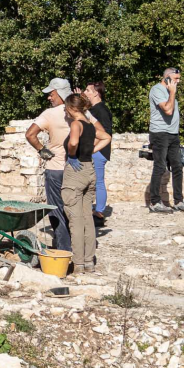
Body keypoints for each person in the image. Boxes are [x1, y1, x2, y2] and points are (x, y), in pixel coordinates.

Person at [62, 94, 111, 273]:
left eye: (66, 108)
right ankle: (89, 262)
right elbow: (106, 137)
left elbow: (74, 142)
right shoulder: (90, 125)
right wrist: (91, 151)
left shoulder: (76, 124)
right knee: (87, 218)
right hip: (90, 170)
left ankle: (79, 264)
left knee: (75, 220)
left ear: (71, 108)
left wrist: (72, 155)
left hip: (76, 172)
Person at [25, 78, 73, 252]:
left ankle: (63, 249)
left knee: (57, 210)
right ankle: (80, 250)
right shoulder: (82, 111)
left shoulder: (50, 114)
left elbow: (30, 134)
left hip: (56, 168)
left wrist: (41, 150)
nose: (49, 98)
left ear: (59, 93)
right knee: (76, 210)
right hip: (76, 168)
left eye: (51, 94)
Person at [148, 68, 184, 214]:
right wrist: (172, 92)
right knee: (160, 167)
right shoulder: (157, 90)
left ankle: (179, 201)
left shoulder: (169, 92)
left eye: (179, 78)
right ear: (167, 78)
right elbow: (167, 110)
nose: (178, 81)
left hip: (173, 134)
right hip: (160, 133)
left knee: (178, 166)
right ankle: (155, 202)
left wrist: (172, 92)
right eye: (176, 79)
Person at [81, 82, 113, 224]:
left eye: (88, 90)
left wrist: (92, 146)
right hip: (95, 150)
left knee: (98, 181)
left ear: (96, 93)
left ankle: (99, 213)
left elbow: (106, 132)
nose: (85, 92)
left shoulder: (101, 110)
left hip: (99, 151)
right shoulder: (93, 109)